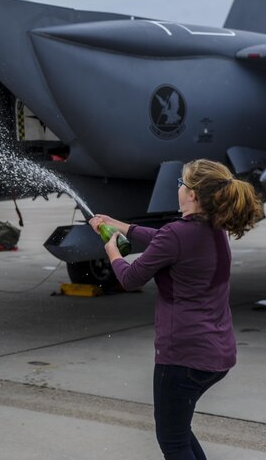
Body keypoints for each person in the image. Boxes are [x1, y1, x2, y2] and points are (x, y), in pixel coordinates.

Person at [88, 159, 263, 460]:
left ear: (193, 195)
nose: (179, 189)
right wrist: (121, 226)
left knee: (172, 440)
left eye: (182, 184)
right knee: (179, 433)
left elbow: (130, 279)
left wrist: (112, 250)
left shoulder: (177, 234)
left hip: (184, 357)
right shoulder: (211, 228)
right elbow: (163, 241)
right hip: (216, 354)